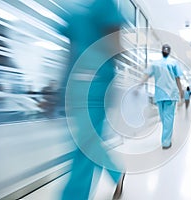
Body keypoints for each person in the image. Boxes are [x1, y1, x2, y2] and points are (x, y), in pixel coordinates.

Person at [57, 1, 126, 199]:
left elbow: (113, 44)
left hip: (95, 85)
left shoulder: (102, 4)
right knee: (88, 142)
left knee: (84, 145)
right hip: (81, 85)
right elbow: (71, 51)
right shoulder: (87, 7)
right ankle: (115, 172)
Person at [140, 44, 183, 149]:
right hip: (171, 94)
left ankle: (166, 137)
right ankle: (166, 142)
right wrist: (181, 91)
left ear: (161, 51)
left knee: (164, 118)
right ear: (169, 52)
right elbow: (177, 79)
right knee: (168, 118)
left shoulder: (155, 64)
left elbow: (146, 75)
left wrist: (138, 85)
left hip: (159, 95)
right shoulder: (173, 63)